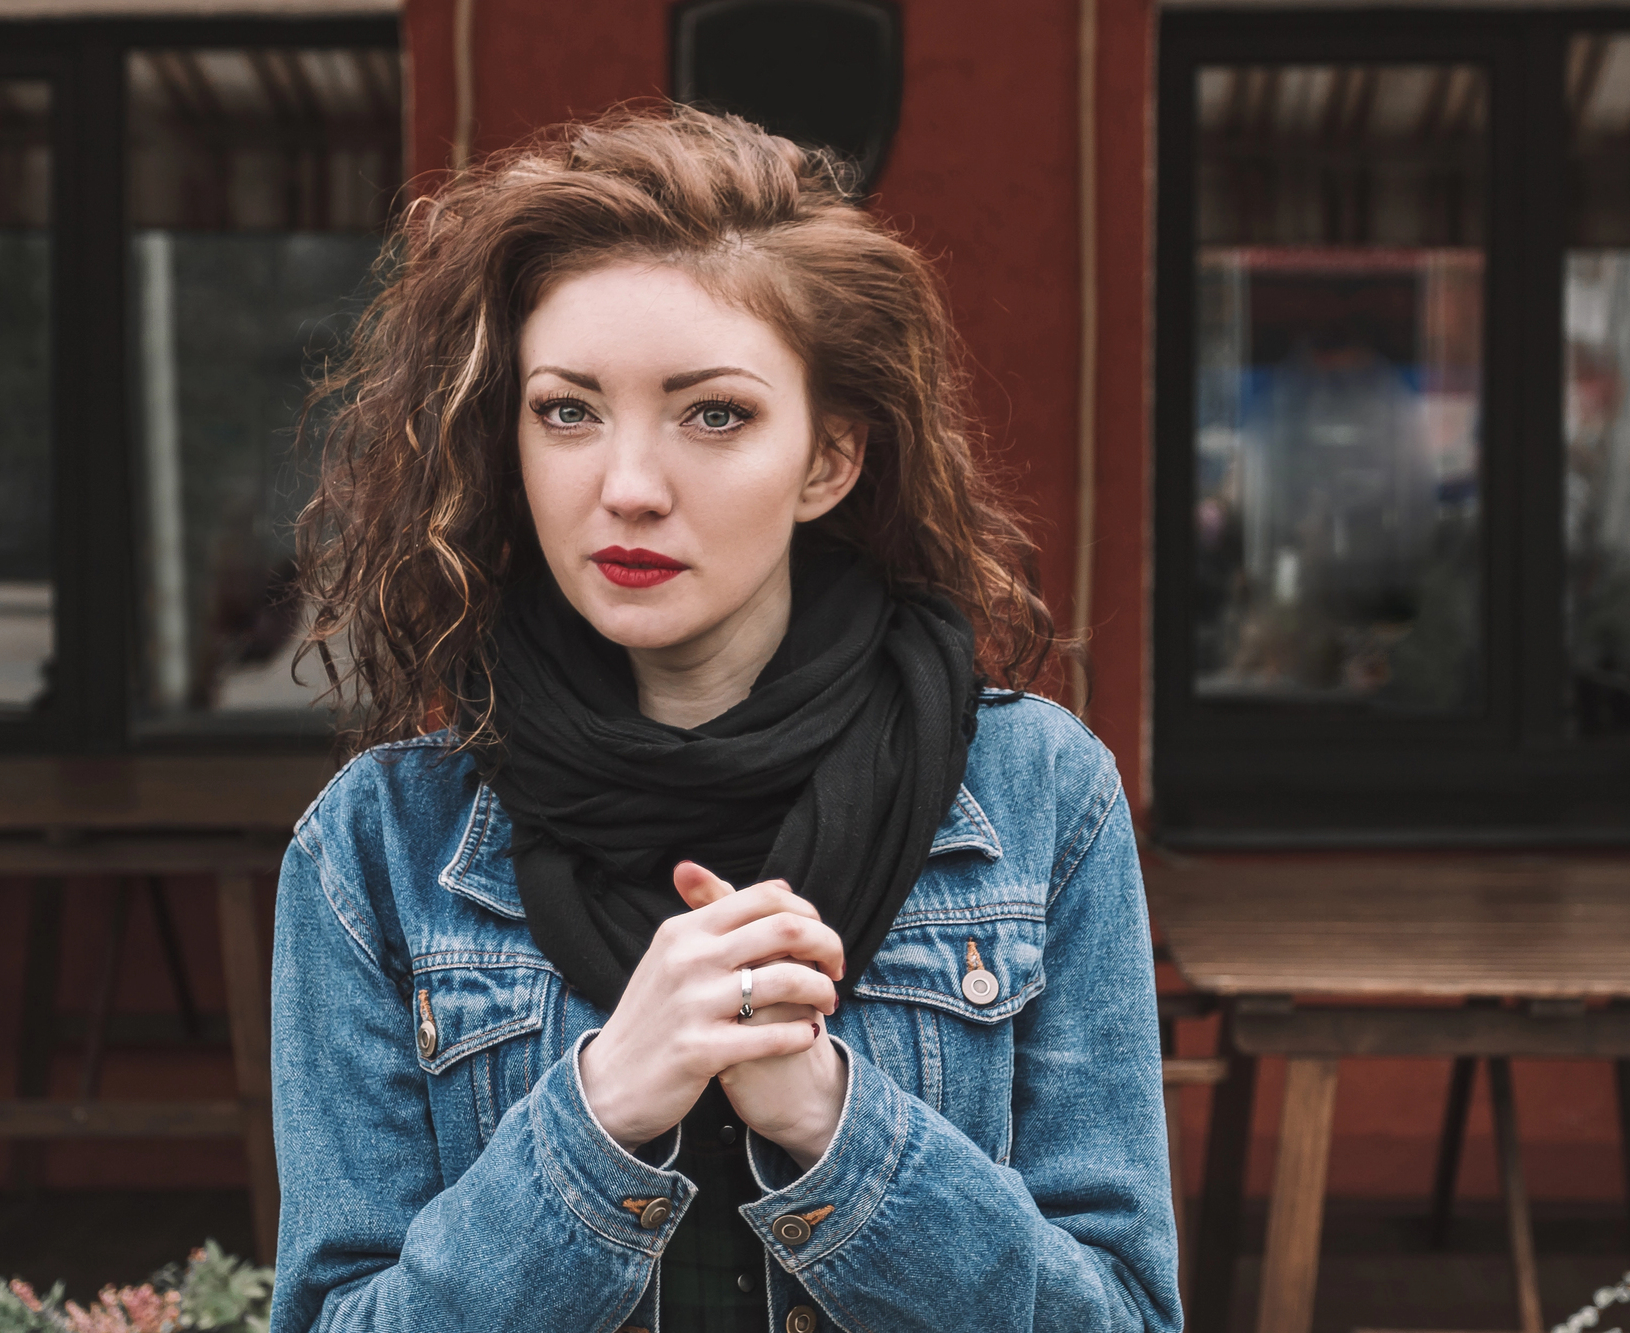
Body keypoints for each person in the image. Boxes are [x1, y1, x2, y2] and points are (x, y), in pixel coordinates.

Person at [270, 105, 1178, 1333]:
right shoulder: (379, 846)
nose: (627, 486)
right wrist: (597, 1117)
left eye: (714, 415)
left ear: (828, 460)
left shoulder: (1033, 798)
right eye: (567, 411)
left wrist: (831, 1121)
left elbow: (1123, 1319)